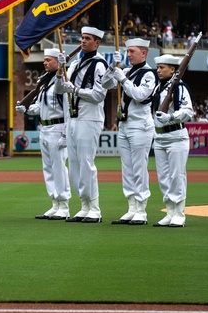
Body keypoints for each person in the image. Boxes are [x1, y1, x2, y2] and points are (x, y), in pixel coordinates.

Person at [57, 26, 110, 223]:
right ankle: (84, 205)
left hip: (89, 118)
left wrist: (76, 90)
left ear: (97, 43)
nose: (83, 41)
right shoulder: (76, 63)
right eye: (82, 38)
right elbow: (61, 89)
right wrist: (59, 73)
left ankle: (94, 207)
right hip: (73, 118)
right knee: (75, 165)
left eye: (88, 39)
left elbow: (98, 95)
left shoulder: (100, 65)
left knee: (87, 163)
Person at [104, 38, 157, 225]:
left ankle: (141, 209)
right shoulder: (125, 70)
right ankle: (131, 207)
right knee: (127, 169)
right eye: (127, 52)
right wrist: (112, 68)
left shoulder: (149, 74)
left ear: (143, 53)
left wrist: (123, 79)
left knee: (139, 168)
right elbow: (104, 85)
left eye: (132, 51)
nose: (128, 55)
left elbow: (140, 95)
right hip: (124, 125)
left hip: (140, 125)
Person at [17, 48, 71, 220]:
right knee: (48, 168)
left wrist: (65, 134)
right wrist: (25, 109)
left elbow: (68, 109)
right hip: (45, 128)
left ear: (57, 61)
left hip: (58, 127)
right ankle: (55, 202)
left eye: (48, 60)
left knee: (59, 167)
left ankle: (64, 204)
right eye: (45, 60)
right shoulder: (45, 82)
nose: (45, 62)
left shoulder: (61, 81)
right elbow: (41, 107)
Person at [151, 54, 195, 227]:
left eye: (162, 67)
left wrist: (170, 117)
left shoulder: (179, 87)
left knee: (177, 176)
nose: (159, 70)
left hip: (176, 136)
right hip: (160, 136)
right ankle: (169, 211)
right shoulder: (158, 88)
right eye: (158, 67)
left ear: (173, 70)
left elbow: (188, 111)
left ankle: (179, 213)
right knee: (163, 177)